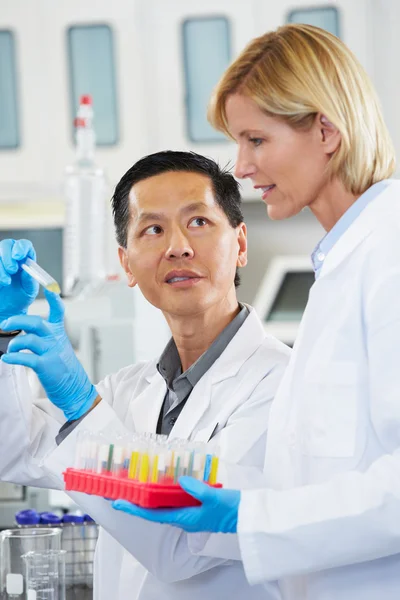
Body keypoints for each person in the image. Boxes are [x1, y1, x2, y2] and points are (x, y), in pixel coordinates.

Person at [110, 24, 400, 600]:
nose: (240, 166)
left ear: (325, 130)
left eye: (256, 140)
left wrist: (249, 516)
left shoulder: (388, 257)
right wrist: (221, 496)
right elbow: (324, 473)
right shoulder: (342, 268)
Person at [0, 151, 290, 600]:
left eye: (198, 222)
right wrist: (4, 330)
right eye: (152, 229)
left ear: (241, 244)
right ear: (127, 264)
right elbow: (16, 451)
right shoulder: (128, 390)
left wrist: (82, 407)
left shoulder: (283, 386)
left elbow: (178, 548)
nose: (178, 246)